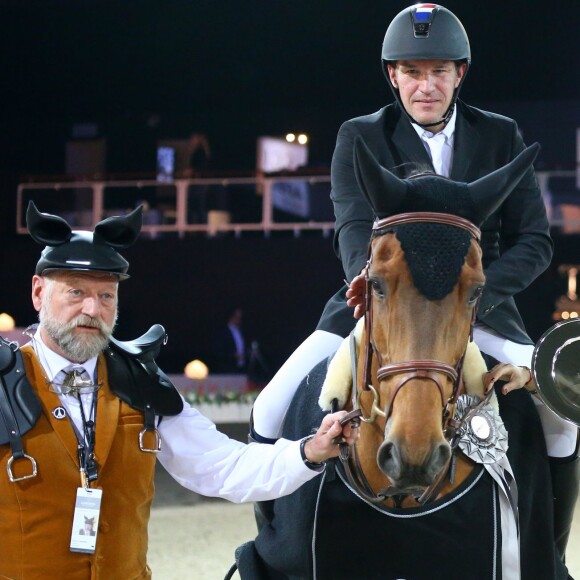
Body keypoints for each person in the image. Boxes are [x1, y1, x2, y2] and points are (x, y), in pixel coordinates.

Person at [251, 2, 578, 561]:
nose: (425, 85)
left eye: (438, 72)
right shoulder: (359, 136)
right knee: (269, 410)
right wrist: (375, 285)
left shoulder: (501, 135)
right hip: (379, 302)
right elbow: (353, 231)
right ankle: (276, 552)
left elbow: (535, 241)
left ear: (459, 74)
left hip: (480, 309)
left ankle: (546, 557)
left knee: (563, 419)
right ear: (393, 75)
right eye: (412, 72)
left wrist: (472, 298)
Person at [0, 202, 357, 579]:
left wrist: (309, 451)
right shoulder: (4, 381)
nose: (93, 308)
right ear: (38, 293)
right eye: (75, 292)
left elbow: (223, 467)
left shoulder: (139, 383)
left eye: (106, 296)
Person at [211, 307, 247, 374]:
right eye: (237, 317)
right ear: (231, 317)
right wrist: (233, 356)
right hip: (228, 369)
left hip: (241, 368)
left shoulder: (241, 331)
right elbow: (217, 353)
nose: (239, 319)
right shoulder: (223, 333)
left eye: (240, 317)